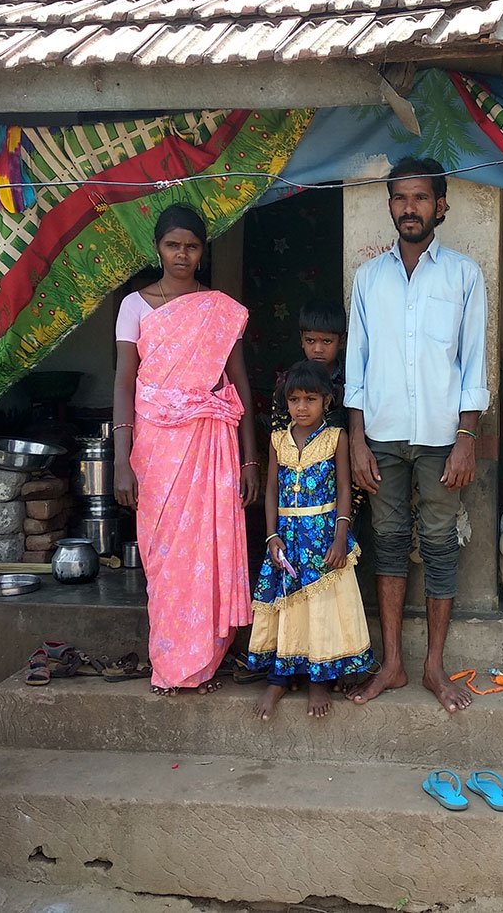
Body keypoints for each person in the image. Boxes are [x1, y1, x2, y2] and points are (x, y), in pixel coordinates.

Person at [344, 156, 489, 714]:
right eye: (401, 198)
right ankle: (392, 664)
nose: (410, 207)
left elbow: (473, 364)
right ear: (389, 207)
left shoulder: (463, 275)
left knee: (438, 545)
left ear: (440, 207)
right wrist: (356, 441)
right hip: (379, 437)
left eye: (421, 198)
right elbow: (356, 368)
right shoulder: (368, 279)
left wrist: (467, 437)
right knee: (387, 544)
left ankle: (433, 663)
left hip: (440, 436)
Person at [112, 205, 261, 696]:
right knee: (164, 558)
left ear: (203, 251)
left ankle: (203, 662)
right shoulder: (134, 306)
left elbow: (238, 384)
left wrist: (249, 458)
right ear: (157, 248)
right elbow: (123, 383)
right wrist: (121, 459)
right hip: (154, 449)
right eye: (174, 245)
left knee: (206, 552)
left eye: (192, 246)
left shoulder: (218, 309)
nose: (182, 254)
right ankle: (172, 662)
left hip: (209, 444)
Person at [246, 360, 375, 720]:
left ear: (327, 402)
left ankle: (318, 681)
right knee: (289, 606)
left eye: (311, 399)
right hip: (287, 538)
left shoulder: (337, 438)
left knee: (321, 610)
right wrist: (272, 535)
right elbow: (271, 490)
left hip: (323, 537)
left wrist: (340, 536)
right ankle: (280, 677)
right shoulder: (277, 440)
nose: (302, 407)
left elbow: (345, 490)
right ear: (285, 402)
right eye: (294, 400)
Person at [270, 299, 348, 432]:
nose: (318, 349)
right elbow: (279, 431)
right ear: (302, 339)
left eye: (327, 341)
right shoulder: (288, 380)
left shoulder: (349, 380)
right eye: (310, 340)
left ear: (342, 341)